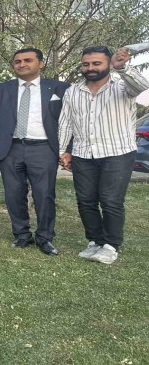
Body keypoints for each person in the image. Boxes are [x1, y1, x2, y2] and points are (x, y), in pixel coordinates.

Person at [59, 46, 149, 264]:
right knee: (85, 200)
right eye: (86, 64)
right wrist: (63, 150)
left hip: (117, 153)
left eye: (96, 63)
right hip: (83, 153)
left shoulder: (122, 86)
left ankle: (110, 245)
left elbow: (142, 85)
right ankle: (95, 241)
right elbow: (65, 122)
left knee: (111, 200)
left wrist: (123, 68)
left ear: (108, 64)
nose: (90, 68)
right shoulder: (73, 91)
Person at [0, 48, 70, 255]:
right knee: (13, 194)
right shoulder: (1, 89)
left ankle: (45, 237)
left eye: (28, 60)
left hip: (43, 148)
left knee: (44, 194)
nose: (22, 64)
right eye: (17, 61)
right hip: (10, 148)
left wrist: (68, 149)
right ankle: (21, 234)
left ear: (41, 63)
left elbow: (71, 120)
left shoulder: (59, 88)